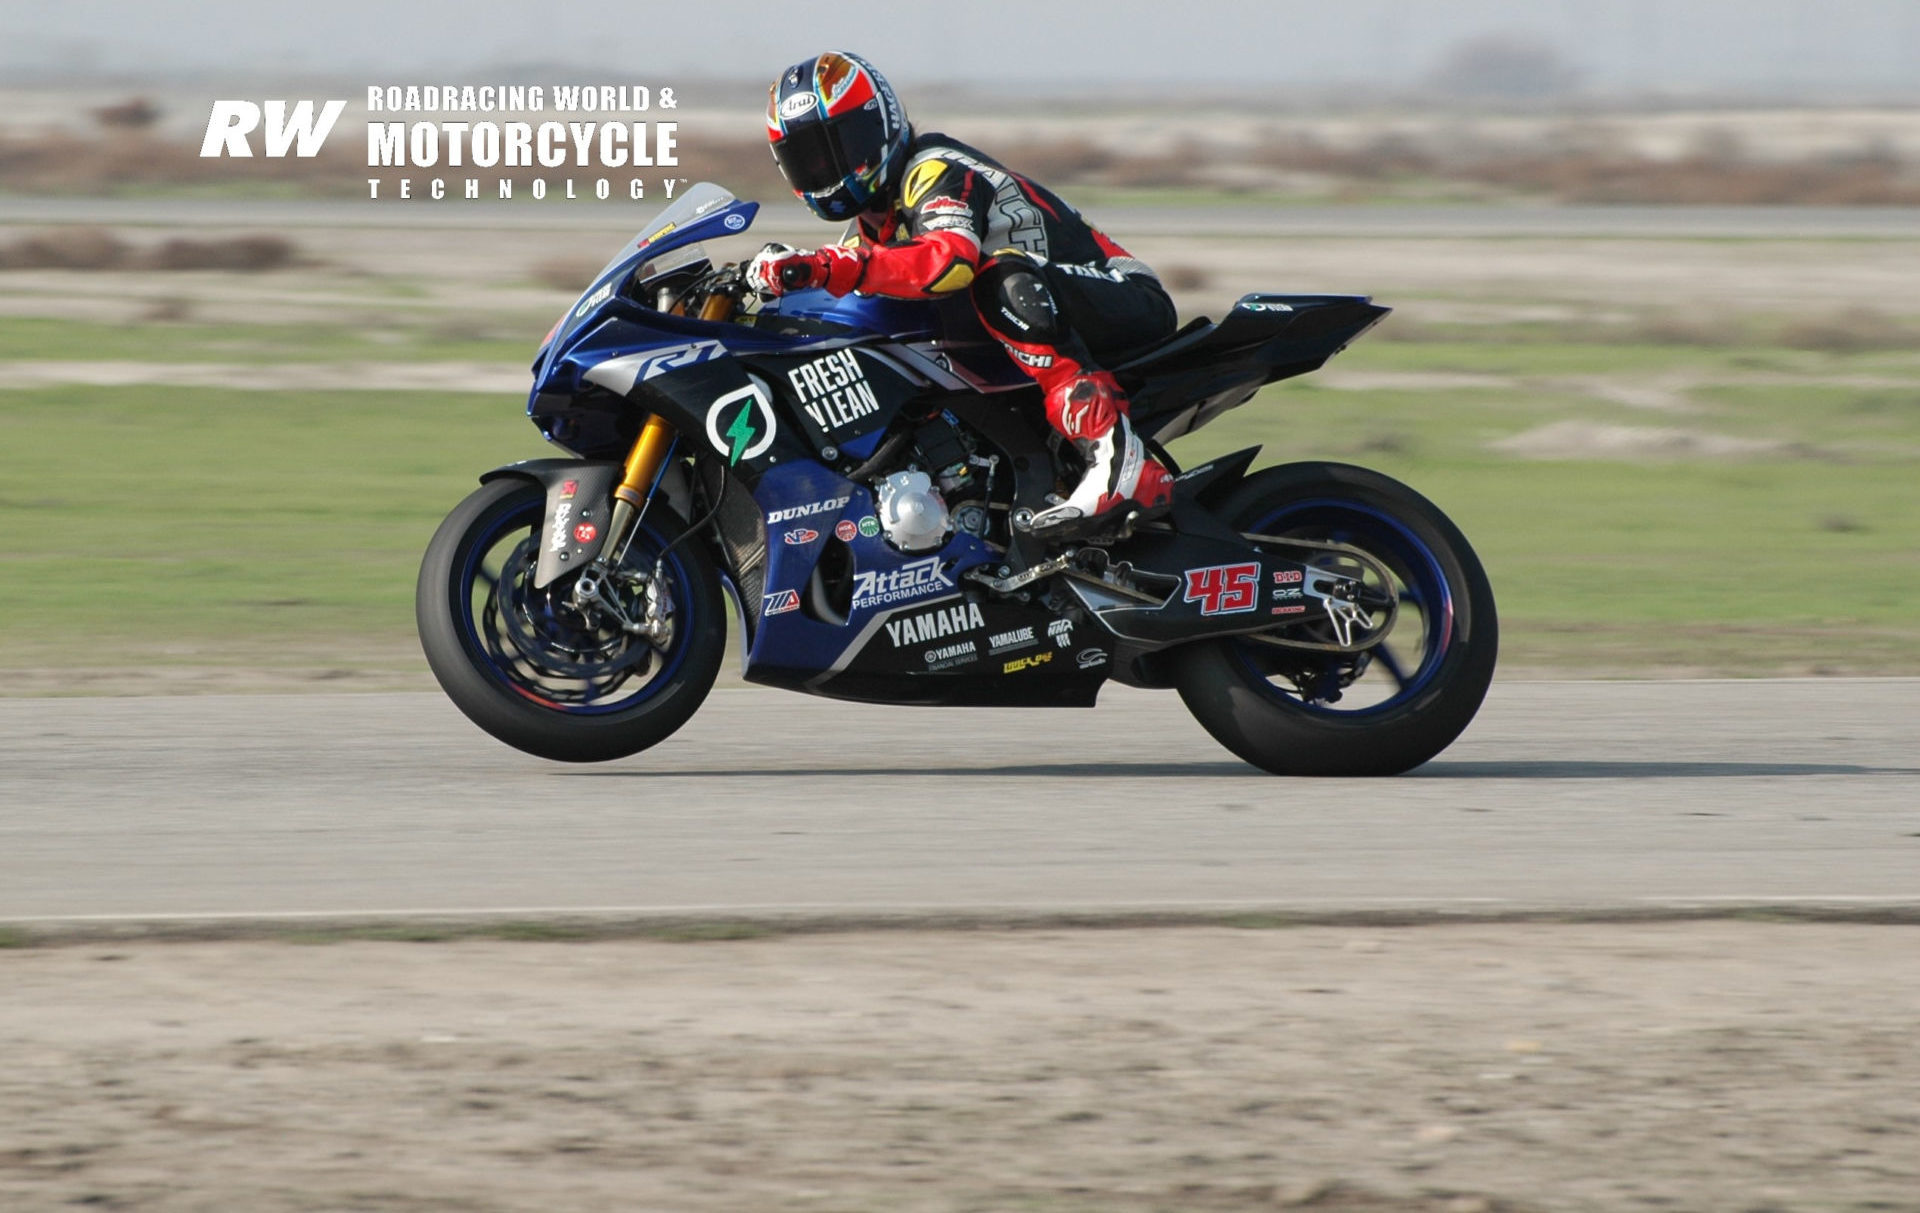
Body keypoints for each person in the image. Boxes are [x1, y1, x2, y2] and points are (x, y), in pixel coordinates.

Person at [747, 51, 1176, 535]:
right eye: (809, 160)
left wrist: (826, 266)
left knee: (997, 277)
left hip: (1123, 297)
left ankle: (1117, 455)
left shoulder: (934, 168)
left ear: (878, 125)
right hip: (1042, 323)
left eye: (837, 148)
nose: (827, 170)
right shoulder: (868, 231)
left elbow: (947, 262)